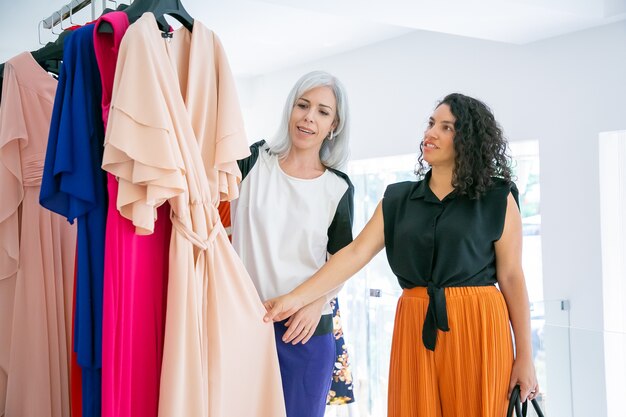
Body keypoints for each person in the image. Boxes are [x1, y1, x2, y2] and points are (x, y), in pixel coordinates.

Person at [263, 93, 539, 417]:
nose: (431, 132)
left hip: (479, 325)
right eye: (431, 123)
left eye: (446, 127)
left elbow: (511, 277)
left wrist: (525, 356)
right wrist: (293, 299)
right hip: (415, 323)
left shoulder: (497, 196)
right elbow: (353, 254)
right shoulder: (398, 199)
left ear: (469, 141)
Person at [230, 70, 354, 417]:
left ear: (335, 125)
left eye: (322, 111)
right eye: (303, 105)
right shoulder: (252, 161)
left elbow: (343, 261)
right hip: (246, 324)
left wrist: (317, 301)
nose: (309, 117)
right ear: (290, 109)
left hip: (305, 331)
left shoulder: (338, 188)